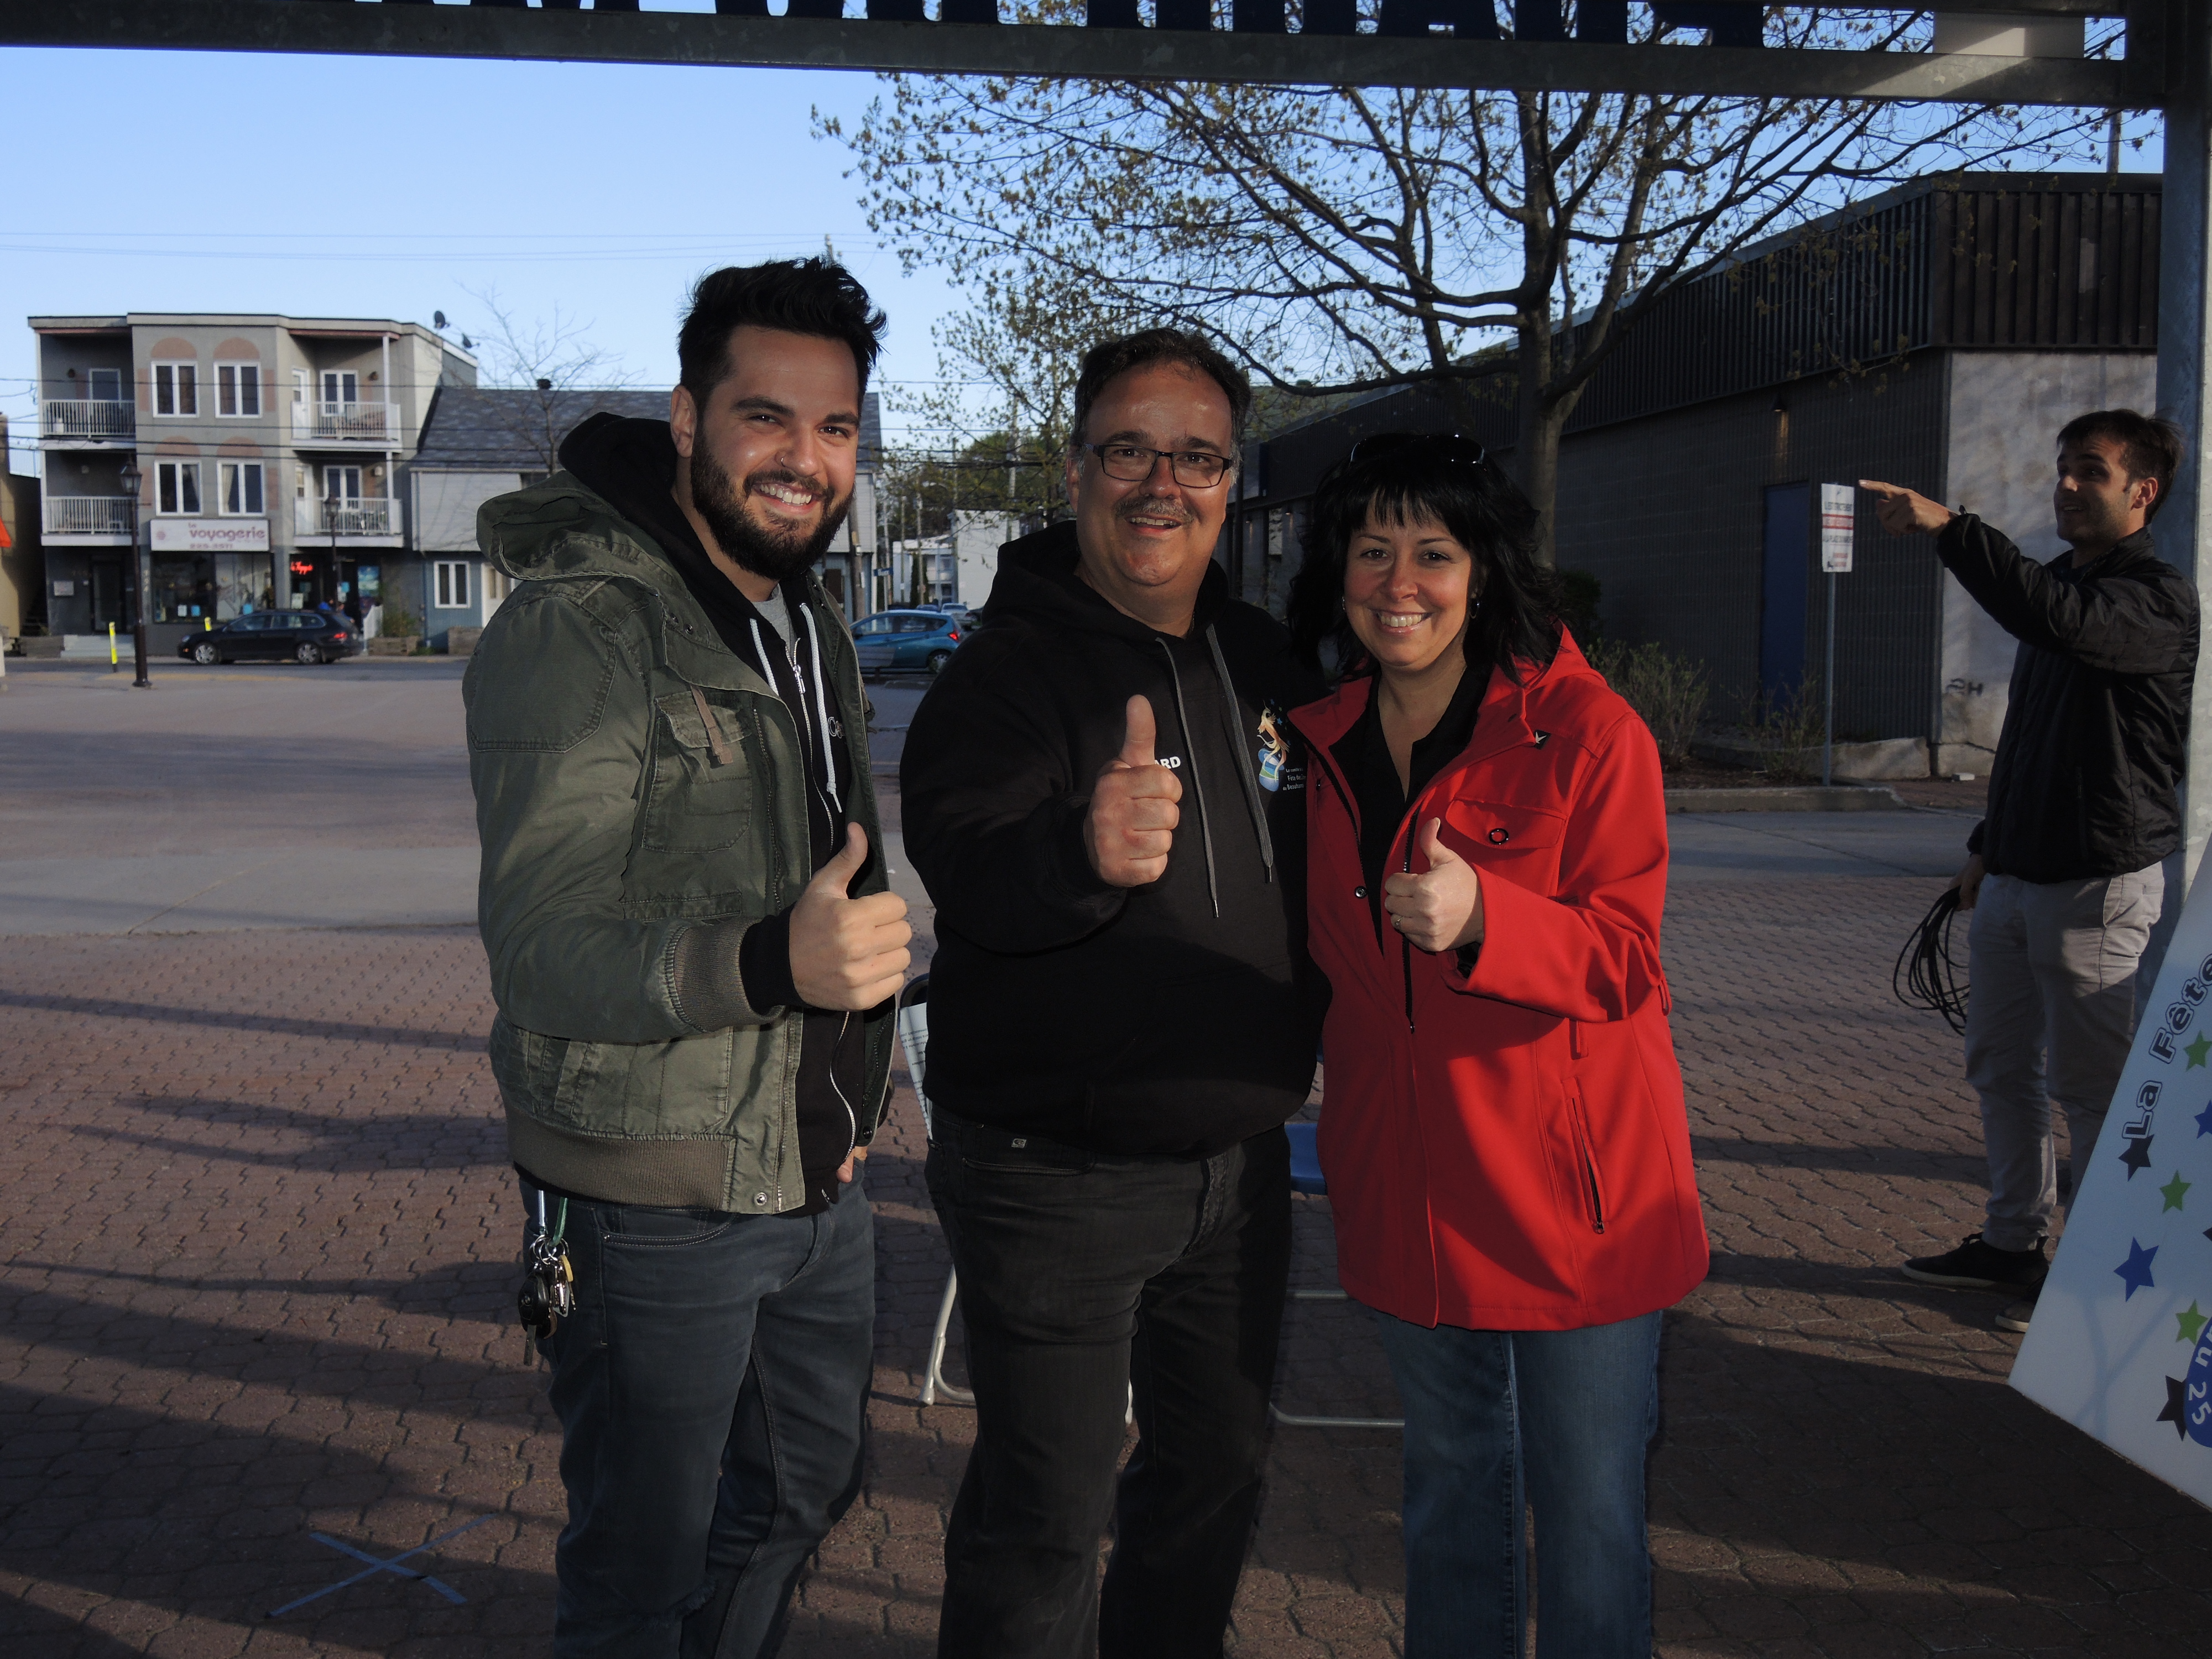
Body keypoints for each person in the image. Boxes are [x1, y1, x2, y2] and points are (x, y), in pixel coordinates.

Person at [463, 258, 911, 1657]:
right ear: (685, 416)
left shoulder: (809, 621)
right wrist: (776, 962)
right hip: (645, 1201)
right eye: (765, 419)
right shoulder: (580, 629)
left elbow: (838, 885)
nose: (804, 460)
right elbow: (543, 950)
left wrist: (848, 1084)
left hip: (811, 1168)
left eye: (835, 430)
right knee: (639, 1570)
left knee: (802, 1489)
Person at [900, 327, 1325, 1659]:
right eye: (1129, 449)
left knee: (1211, 1480)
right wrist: (1079, 852)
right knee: (1046, 1507)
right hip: (1053, 1171)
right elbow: (967, 863)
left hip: (1238, 1166)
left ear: (1230, 480)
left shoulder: (1268, 665)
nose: (1162, 482)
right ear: (1075, 467)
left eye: (1195, 456)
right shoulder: (1002, 673)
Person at [1282, 432, 1708, 1659]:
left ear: (1482, 570)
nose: (1399, 582)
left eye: (1432, 551)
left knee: (1585, 1524)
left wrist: (1487, 923)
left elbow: (1624, 957)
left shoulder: (1583, 730)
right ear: (1337, 571)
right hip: (1407, 1192)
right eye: (1372, 551)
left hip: (1572, 1202)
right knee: (1449, 1504)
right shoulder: (1315, 747)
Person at [1864, 410, 2198, 1334]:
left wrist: (1950, 527)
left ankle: (2093, 1272)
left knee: (2092, 1093)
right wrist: (1987, 847)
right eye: (2062, 469)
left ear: (2144, 492)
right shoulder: (2063, 584)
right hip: (2017, 875)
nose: (2067, 485)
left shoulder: (2154, 600)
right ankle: (2012, 1242)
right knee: (2001, 1066)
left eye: (2091, 471)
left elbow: (2056, 620)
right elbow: (2033, 742)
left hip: (2098, 882)